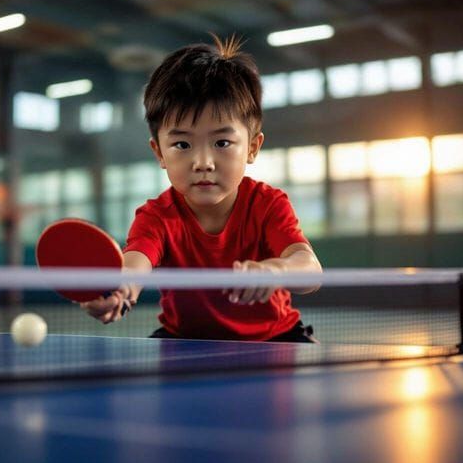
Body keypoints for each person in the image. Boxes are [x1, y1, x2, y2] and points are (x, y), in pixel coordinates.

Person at [80, 34, 323, 340]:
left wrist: (277, 270)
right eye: (182, 144)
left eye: (222, 142)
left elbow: (310, 269)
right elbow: (135, 264)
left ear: (252, 147)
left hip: (274, 339)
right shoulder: (156, 217)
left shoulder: (267, 204)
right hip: (183, 340)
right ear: (159, 153)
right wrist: (120, 291)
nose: (203, 162)